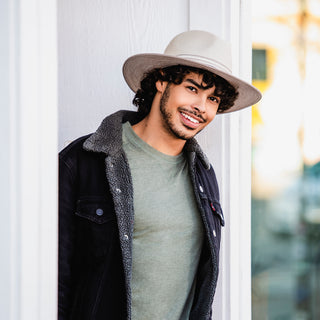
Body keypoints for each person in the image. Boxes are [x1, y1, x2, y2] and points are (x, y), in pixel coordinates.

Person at [58, 30, 262, 320]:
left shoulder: (204, 177)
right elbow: (54, 279)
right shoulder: (84, 160)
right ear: (162, 80)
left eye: (213, 98)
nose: (201, 107)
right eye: (192, 88)